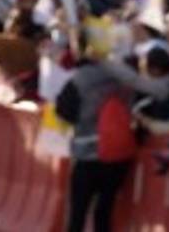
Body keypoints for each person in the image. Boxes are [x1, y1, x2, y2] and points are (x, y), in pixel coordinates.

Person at [55, 31, 134, 232]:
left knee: (78, 214)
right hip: (117, 156)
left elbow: (64, 111)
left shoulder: (80, 79)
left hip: (87, 156)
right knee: (104, 211)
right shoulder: (124, 77)